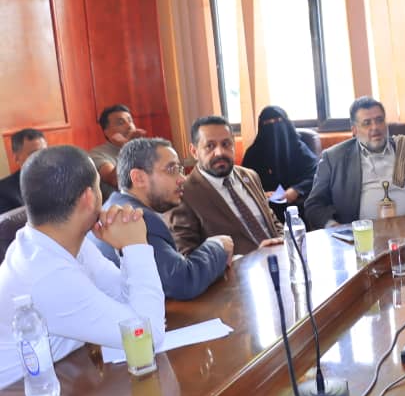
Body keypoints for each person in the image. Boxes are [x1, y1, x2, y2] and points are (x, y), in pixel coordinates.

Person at [0, 146, 165, 389]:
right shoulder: (47, 275)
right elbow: (148, 337)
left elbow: (124, 300)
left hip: (68, 379)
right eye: (99, 186)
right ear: (89, 197)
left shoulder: (57, 241)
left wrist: (126, 248)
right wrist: (136, 245)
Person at [91, 138, 234, 300]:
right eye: (172, 169)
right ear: (138, 178)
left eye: (180, 169)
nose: (182, 178)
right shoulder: (134, 218)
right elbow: (183, 281)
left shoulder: (114, 205)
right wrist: (218, 245)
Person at [305, 97, 405, 229]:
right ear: (354, 130)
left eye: (379, 120)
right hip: (363, 237)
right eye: (367, 123)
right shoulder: (334, 158)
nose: (375, 127)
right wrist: (336, 228)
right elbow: (314, 205)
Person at [168, 116, 282, 256]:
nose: (220, 152)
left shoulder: (250, 176)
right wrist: (241, 261)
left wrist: (283, 241)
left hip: (279, 259)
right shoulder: (183, 193)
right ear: (194, 151)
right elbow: (187, 255)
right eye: (210, 146)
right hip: (236, 268)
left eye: (226, 144)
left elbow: (272, 221)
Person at [242, 106, 318, 221]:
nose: (274, 126)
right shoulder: (254, 152)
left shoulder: (298, 148)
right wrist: (261, 193)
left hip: (297, 205)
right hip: (266, 208)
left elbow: (315, 173)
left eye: (278, 121)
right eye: (268, 123)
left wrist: (296, 190)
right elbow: (244, 180)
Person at [90, 104, 147, 199]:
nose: (129, 126)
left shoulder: (144, 148)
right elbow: (116, 180)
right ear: (106, 131)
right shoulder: (97, 154)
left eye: (130, 121)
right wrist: (127, 148)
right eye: (121, 123)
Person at [0, 129, 47, 213]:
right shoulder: (3, 191)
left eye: (44, 152)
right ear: (16, 158)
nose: (42, 159)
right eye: (34, 154)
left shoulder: (58, 178)